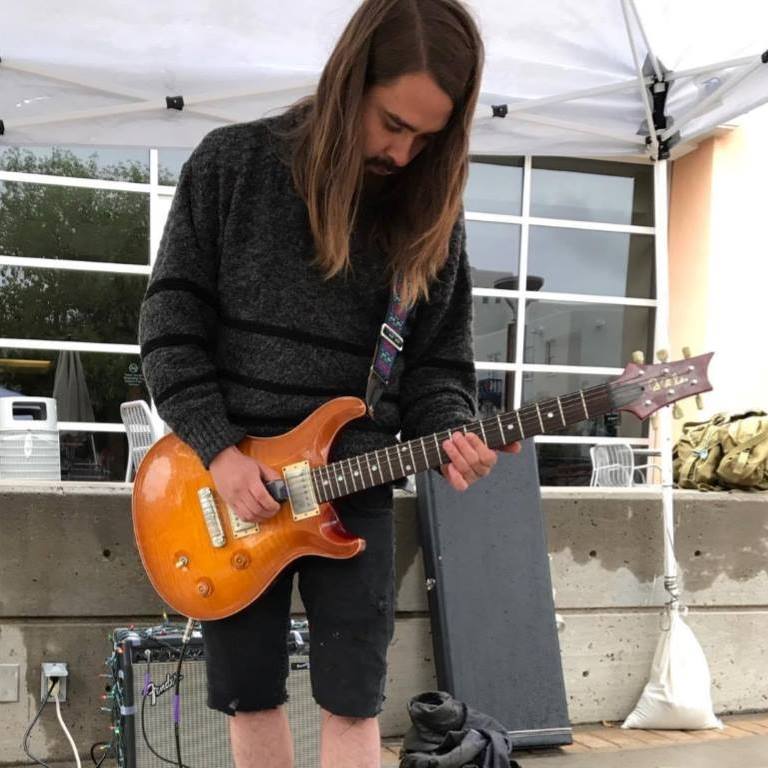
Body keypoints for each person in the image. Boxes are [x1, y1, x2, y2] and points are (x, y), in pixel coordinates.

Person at [138, 1, 520, 765]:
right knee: (250, 696)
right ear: (349, 81)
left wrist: (450, 429)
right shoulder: (230, 167)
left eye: (428, 136)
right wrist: (218, 449)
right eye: (391, 123)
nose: (404, 153)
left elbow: (438, 364)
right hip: (232, 487)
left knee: (354, 703)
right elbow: (170, 330)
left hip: (358, 483)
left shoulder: (430, 216)